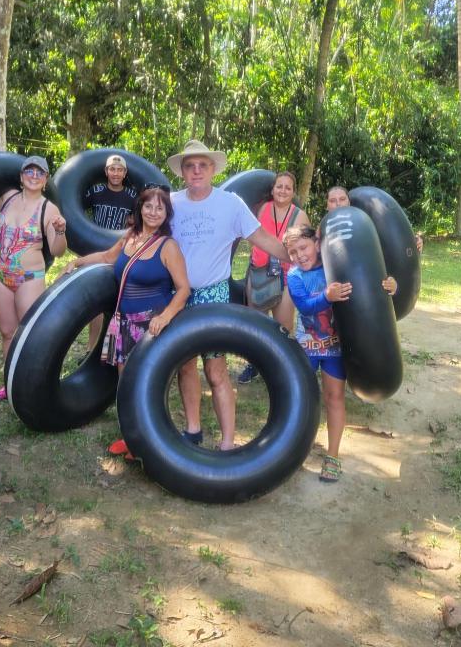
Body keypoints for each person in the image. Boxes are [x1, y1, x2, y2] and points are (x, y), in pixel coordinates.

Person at [166, 140, 291, 451]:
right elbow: (143, 238)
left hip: (214, 294)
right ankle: (193, 429)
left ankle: (227, 442)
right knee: (184, 364)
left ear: (212, 170)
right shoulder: (170, 203)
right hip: (179, 294)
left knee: (216, 369)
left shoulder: (230, 204)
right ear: (182, 171)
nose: (196, 171)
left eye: (202, 165)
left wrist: (298, 255)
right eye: (190, 166)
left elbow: (262, 238)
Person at [63, 185, 190, 457]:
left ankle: (151, 439)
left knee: (147, 383)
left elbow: (183, 289)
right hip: (123, 323)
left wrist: (166, 317)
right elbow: (107, 258)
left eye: (160, 207)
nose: (153, 212)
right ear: (140, 208)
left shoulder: (168, 246)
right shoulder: (129, 237)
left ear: (166, 213)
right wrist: (77, 262)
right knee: (126, 382)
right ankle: (131, 438)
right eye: (148, 206)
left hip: (151, 326)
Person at [283, 225, 397, 482]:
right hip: (307, 346)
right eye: (292, 252)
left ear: (317, 243)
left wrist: (391, 283)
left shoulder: (335, 265)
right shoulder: (294, 276)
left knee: (334, 398)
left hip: (335, 346)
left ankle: (332, 456)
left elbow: (369, 279)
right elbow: (304, 306)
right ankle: (295, 451)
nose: (299, 255)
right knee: (302, 399)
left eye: (303, 247)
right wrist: (327, 296)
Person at [0, 156, 67, 401]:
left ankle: (30, 389)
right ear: (20, 177)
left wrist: (60, 230)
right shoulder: (6, 198)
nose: (33, 175)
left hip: (28, 279)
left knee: (29, 334)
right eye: (29, 171)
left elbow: (57, 249)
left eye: (39, 173)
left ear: (45, 180)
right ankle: (8, 386)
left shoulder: (49, 209)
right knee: (7, 332)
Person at [238, 171, 310, 384]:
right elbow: (252, 236)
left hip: (287, 276)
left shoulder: (300, 215)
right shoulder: (262, 209)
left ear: (293, 192)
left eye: (288, 187)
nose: (283, 191)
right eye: (279, 186)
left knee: (283, 325)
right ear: (272, 189)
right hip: (259, 272)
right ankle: (254, 363)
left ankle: (281, 366)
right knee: (255, 322)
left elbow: (306, 247)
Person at [83, 154, 138, 351]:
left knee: (118, 299)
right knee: (96, 303)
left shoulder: (132, 197)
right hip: (97, 251)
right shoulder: (96, 192)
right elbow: (78, 209)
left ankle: (116, 348)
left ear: (125, 173)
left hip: (121, 253)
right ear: (106, 172)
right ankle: (91, 348)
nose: (116, 173)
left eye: (120, 170)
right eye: (112, 169)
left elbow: (137, 221)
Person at [324, 185, 424, 252]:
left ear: (349, 202)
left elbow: (388, 242)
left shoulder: (363, 223)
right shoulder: (322, 232)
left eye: (342, 199)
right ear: (326, 206)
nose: (338, 204)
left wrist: (413, 242)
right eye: (332, 201)